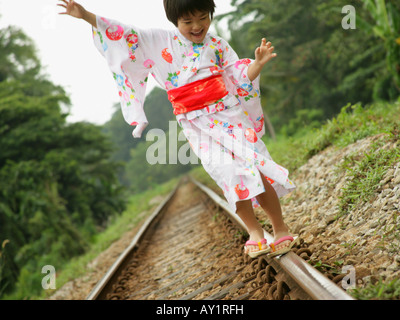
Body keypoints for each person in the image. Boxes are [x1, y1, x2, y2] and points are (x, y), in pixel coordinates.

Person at [57, 0, 298, 258]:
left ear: (210, 14)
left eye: (202, 17)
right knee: (228, 173)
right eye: (188, 21)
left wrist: (257, 64)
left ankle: (280, 228)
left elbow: (237, 77)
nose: (197, 26)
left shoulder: (217, 46)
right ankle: (255, 232)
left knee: (254, 168)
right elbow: (126, 34)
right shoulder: (159, 41)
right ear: (175, 21)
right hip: (196, 124)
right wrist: (86, 16)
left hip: (228, 114)